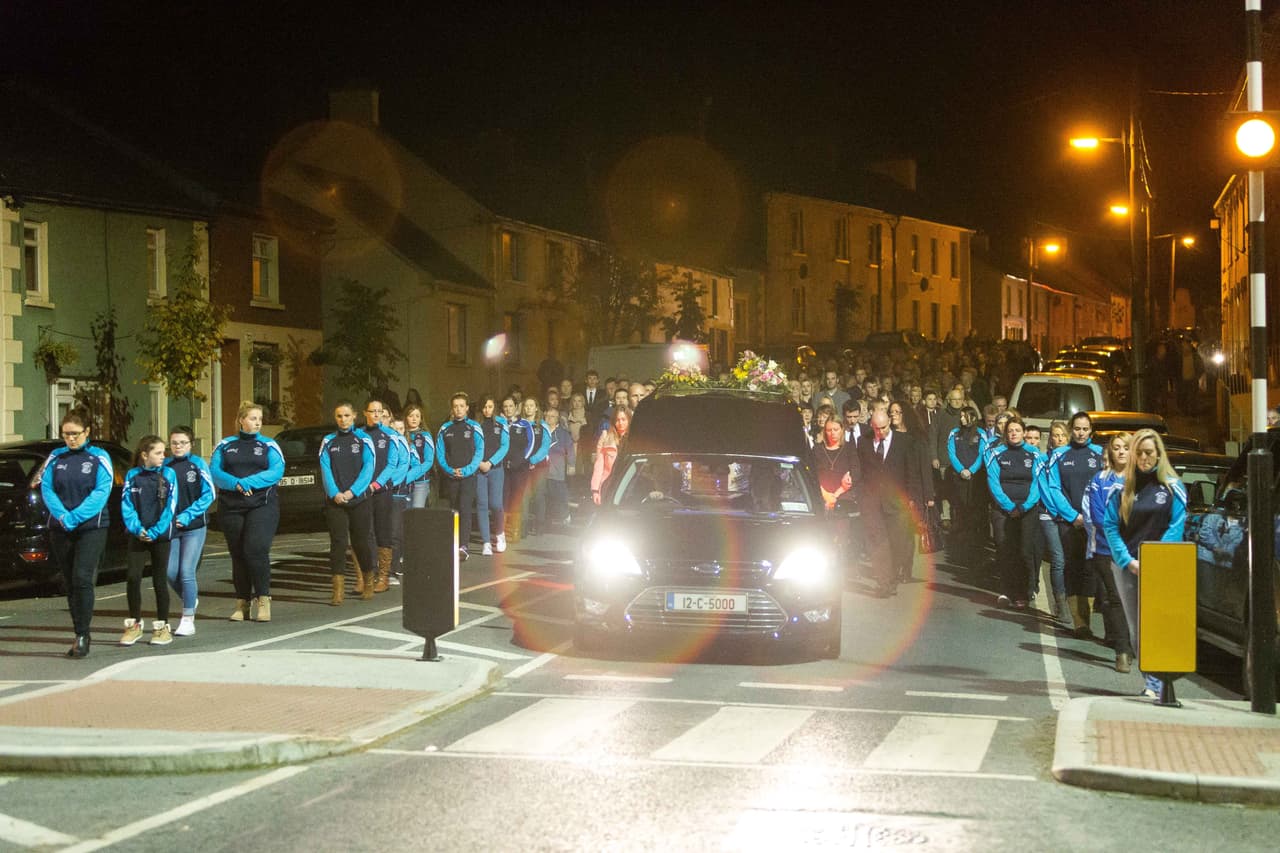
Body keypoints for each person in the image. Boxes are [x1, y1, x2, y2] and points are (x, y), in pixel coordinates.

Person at [1102, 428, 1187, 698]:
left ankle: (1162, 682)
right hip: (1129, 567)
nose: (1143, 458)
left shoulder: (1173, 487)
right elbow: (1110, 526)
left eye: (1148, 452)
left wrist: (1156, 557)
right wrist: (1128, 561)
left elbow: (1177, 524)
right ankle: (1151, 682)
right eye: (1138, 453)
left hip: (1162, 566)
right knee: (1137, 628)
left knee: (1159, 625)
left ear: (1159, 454)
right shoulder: (1121, 488)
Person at [43, 410, 113, 658]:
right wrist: (63, 516)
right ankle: (79, 631)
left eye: (75, 434)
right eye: (66, 434)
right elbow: (47, 488)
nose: (71, 439)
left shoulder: (99, 457)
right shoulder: (55, 457)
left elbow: (101, 491)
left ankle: (83, 634)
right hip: (61, 526)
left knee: (83, 578)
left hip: (91, 526)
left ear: (87, 432)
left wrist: (76, 517)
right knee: (70, 581)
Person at [210, 401, 285, 622]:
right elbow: (215, 471)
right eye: (253, 418)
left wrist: (248, 482)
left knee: (255, 549)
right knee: (238, 554)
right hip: (231, 506)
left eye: (260, 419)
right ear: (241, 420)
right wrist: (236, 484)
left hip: (262, 504)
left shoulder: (269, 445)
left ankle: (263, 598)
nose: (257, 423)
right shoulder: (225, 445)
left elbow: (276, 471)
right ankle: (242, 602)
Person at [858, 410, 931, 596]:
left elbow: (912, 472)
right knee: (878, 543)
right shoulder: (863, 442)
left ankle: (893, 577)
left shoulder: (904, 442)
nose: (880, 432)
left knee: (897, 543)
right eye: (876, 428)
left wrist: (913, 498)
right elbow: (861, 472)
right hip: (872, 502)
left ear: (889, 422)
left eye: (883, 427)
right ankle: (884, 583)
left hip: (897, 503)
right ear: (871, 426)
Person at [1045, 413, 1105, 636]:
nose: (1081, 433)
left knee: (1090, 568)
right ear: (1071, 430)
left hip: (1094, 522)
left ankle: (1086, 618)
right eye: (1077, 429)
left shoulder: (1100, 453)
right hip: (1068, 522)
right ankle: (1079, 623)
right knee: (1072, 567)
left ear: (1091, 431)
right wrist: (1072, 516)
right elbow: (1054, 488)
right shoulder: (1059, 454)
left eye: (1085, 429)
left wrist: (1091, 517)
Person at [1082, 432, 1135, 672]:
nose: (1121, 451)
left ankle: (1134, 644)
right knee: (1116, 597)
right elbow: (1098, 516)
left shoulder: (1142, 479)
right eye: (1117, 447)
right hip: (1107, 549)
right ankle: (1122, 650)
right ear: (1110, 452)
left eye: (1126, 447)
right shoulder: (1099, 480)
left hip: (1137, 550)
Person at [120, 435, 180, 646]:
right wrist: (137, 529)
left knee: (159, 580)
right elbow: (127, 505)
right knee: (133, 577)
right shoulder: (132, 475)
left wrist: (154, 531)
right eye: (158, 453)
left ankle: (162, 626)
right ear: (145, 455)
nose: (163, 456)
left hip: (160, 535)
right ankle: (134, 624)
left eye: (164, 452)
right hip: (138, 534)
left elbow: (170, 507)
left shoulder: (169, 474)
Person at [319, 402, 378, 604]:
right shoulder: (328, 441)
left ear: (354, 416)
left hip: (359, 499)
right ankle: (338, 590)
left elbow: (368, 468)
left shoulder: (364, 439)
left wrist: (353, 492)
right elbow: (325, 469)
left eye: (346, 415)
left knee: (361, 542)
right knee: (338, 543)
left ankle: (368, 581)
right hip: (336, 501)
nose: (343, 419)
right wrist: (335, 493)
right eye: (339, 416)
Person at [165, 426, 215, 636]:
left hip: (194, 526)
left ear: (191, 444)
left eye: (183, 443)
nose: (178, 447)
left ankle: (187, 618)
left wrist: (187, 515)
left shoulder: (198, 464)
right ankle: (190, 598)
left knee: (186, 571)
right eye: (174, 443)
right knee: (170, 572)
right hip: (171, 527)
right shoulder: (165, 466)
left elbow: (209, 494)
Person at [986, 415, 1040, 608]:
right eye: (1010, 431)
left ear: (1024, 433)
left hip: (1027, 509)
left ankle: (1023, 592)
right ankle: (1005, 591)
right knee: (1004, 549)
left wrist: (1025, 506)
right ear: (1005, 434)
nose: (1014, 433)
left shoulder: (1034, 454)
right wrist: (1009, 507)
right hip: (1003, 510)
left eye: (1017, 430)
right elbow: (993, 482)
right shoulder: (996, 453)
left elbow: (1037, 483)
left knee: (1024, 551)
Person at [1025, 423, 1067, 623]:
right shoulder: (1043, 460)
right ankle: (1061, 604)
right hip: (1048, 514)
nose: (1058, 439)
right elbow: (1044, 488)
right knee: (1058, 558)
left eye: (1062, 435)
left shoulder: (1071, 459)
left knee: (1070, 559)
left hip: (1070, 516)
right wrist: (1056, 510)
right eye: (1055, 435)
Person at [437, 392, 485, 561]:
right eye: (455, 406)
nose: (458, 409)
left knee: (465, 508)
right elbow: (440, 454)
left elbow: (479, 452)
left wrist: (466, 470)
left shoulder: (474, 427)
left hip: (468, 476)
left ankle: (464, 546)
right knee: (454, 509)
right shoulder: (445, 428)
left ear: (467, 408)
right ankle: (454, 543)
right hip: (451, 477)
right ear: (452, 408)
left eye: (461, 406)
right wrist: (449, 470)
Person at [946, 405, 988, 567]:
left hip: (976, 480)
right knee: (960, 513)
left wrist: (971, 470)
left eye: (965, 416)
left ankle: (976, 552)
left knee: (974, 514)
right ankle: (960, 551)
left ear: (973, 417)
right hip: (959, 479)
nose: (962, 418)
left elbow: (982, 454)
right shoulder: (954, 433)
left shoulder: (981, 434)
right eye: (961, 416)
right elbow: (951, 453)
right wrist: (961, 470)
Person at [475, 395, 510, 555]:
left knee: (496, 504)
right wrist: (479, 463)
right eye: (484, 407)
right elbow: (472, 447)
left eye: (489, 406)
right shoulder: (476, 424)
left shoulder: (502, 423)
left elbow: (504, 446)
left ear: (494, 407)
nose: (487, 410)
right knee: (482, 504)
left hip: (495, 469)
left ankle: (500, 534)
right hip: (478, 469)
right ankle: (486, 542)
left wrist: (490, 462)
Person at [518, 397, 553, 536]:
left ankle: (539, 526)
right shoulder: (519, 425)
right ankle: (523, 526)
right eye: (526, 405)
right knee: (524, 496)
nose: (528, 408)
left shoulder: (543, 426)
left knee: (539, 495)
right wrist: (523, 461)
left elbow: (545, 447)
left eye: (531, 405)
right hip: (523, 466)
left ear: (536, 408)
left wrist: (533, 460)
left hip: (540, 466)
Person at [592, 406, 631, 505]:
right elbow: (599, 466)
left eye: (623, 419)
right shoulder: (606, 437)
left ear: (629, 420)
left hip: (628, 485)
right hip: (609, 484)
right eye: (617, 420)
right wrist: (595, 490)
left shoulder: (634, 438)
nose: (620, 423)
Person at [543, 407, 575, 527]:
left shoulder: (563, 433)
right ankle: (546, 520)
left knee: (560, 495)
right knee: (545, 495)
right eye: (547, 416)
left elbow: (570, 449)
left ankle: (565, 516)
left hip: (557, 470)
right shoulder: (541, 431)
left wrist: (571, 464)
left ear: (557, 419)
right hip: (542, 470)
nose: (549, 418)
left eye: (552, 416)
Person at [403, 404, 435, 509]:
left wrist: (410, 476)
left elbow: (429, 461)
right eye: (411, 416)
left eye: (417, 416)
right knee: (404, 513)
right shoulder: (401, 434)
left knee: (417, 512)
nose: (414, 419)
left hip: (420, 482)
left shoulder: (425, 436)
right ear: (406, 418)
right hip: (402, 482)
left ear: (421, 419)